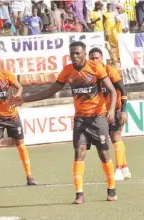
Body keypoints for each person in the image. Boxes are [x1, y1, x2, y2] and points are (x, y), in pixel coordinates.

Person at [11, 41, 118, 204]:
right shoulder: (68, 71)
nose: (74, 56)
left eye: (77, 53)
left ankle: (111, 189)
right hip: (80, 119)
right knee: (79, 152)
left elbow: (111, 90)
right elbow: (50, 91)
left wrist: (111, 110)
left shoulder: (96, 67)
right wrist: (24, 99)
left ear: (84, 53)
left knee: (103, 154)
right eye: (72, 54)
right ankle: (79, 193)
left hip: (98, 117)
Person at [0, 51, 37, 189]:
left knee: (21, 145)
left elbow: (19, 87)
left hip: (12, 116)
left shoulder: (7, 75)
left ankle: (29, 176)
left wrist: (17, 97)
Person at [88, 47, 131, 181]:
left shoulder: (110, 71)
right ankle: (124, 168)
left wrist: (123, 110)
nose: (95, 60)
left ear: (102, 58)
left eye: (97, 57)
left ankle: (118, 169)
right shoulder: (90, 74)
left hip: (116, 108)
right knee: (114, 138)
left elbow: (123, 90)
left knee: (115, 136)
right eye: (92, 58)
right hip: (103, 111)